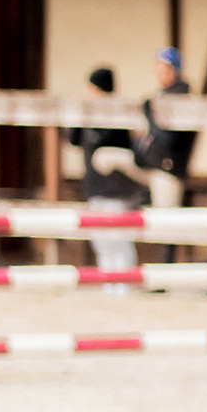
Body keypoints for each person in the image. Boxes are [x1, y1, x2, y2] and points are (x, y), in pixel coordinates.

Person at [66, 67, 145, 294]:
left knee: (118, 239)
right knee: (100, 241)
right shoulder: (88, 114)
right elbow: (74, 139)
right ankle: (110, 286)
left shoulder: (117, 113)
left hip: (116, 187)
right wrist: (79, 112)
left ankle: (125, 287)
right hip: (94, 187)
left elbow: (105, 138)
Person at [138, 46, 196, 209]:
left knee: (165, 222)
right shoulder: (163, 97)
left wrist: (151, 116)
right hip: (158, 167)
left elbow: (169, 138)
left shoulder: (180, 98)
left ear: (173, 70)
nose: (159, 75)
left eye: (163, 70)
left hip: (169, 169)